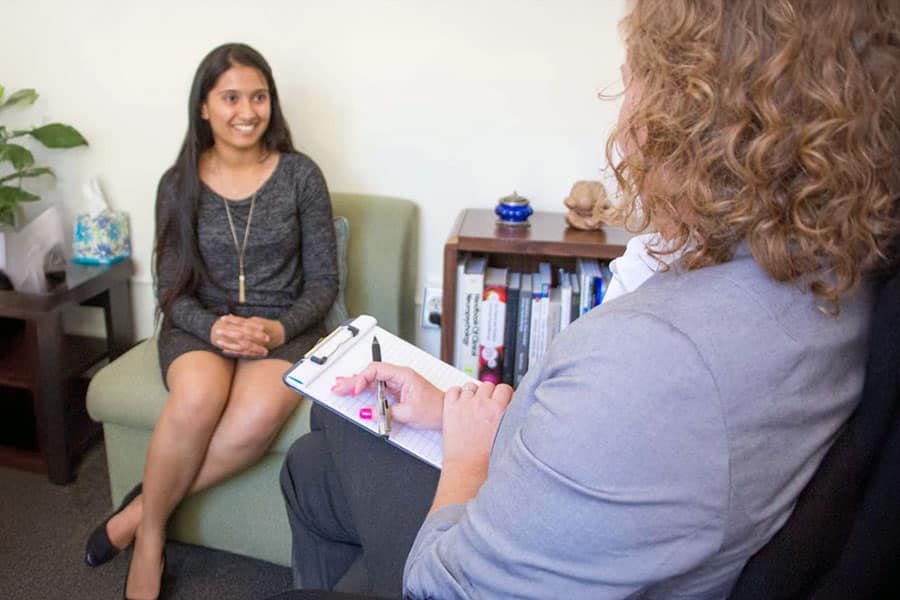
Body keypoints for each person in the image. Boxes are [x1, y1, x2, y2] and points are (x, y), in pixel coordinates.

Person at [278, 0, 900, 598]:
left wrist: (468, 454)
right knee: (317, 460)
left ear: (686, 111)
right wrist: (454, 411)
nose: (620, 112)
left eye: (631, 78)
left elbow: (441, 587)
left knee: (326, 427)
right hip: (588, 521)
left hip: (472, 560)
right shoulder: (828, 273)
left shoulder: (654, 355)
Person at [84, 43, 339, 599]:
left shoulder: (300, 175)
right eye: (230, 98)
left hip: (284, 328)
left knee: (252, 418)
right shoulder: (179, 183)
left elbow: (323, 284)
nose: (246, 111)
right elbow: (172, 290)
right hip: (198, 324)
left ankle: (138, 516)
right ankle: (152, 542)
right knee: (198, 399)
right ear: (204, 107)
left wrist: (276, 329)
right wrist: (212, 327)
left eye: (258, 96)